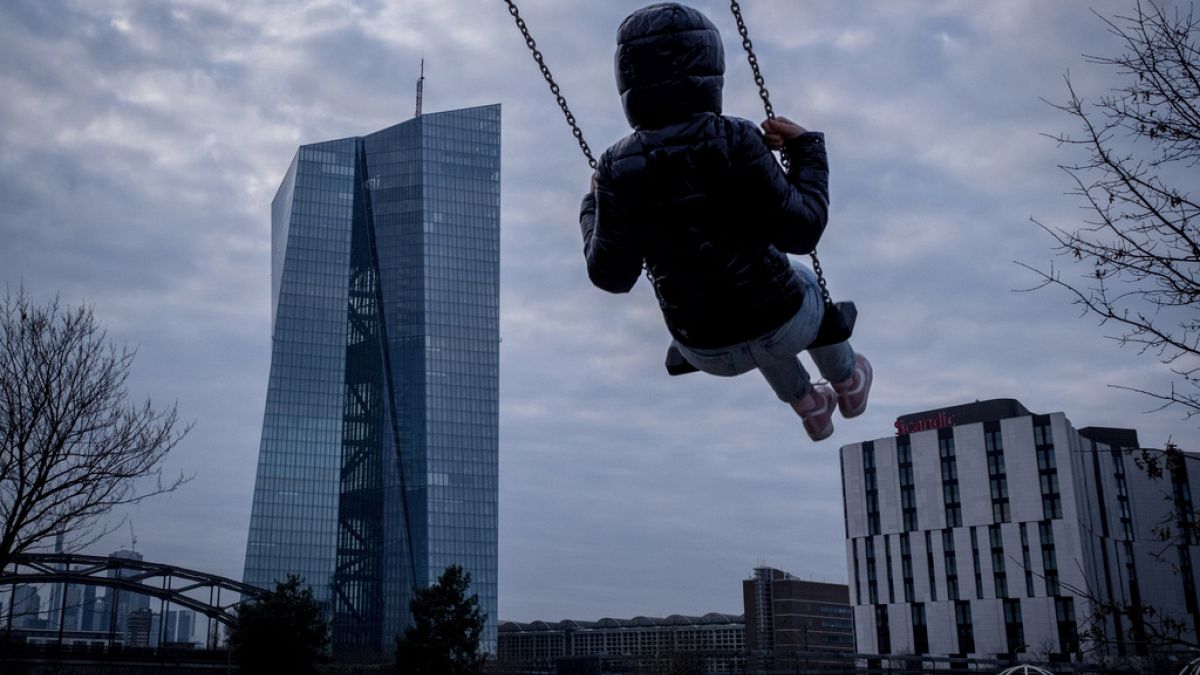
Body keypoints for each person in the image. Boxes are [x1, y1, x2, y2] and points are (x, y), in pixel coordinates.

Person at [578, 2, 871, 441]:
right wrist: (806, 149)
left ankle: (809, 404)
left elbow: (612, 276)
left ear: (628, 79)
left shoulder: (616, 167)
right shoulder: (735, 138)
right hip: (784, 321)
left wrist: (592, 201)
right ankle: (849, 382)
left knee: (748, 312)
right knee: (788, 287)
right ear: (711, 70)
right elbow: (802, 230)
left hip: (705, 349)